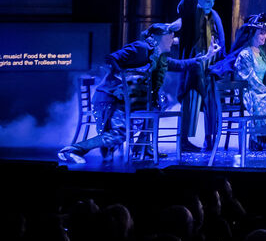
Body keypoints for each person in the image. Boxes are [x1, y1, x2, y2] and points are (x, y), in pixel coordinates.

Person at [58, 23, 220, 163]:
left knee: (157, 103)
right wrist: (123, 79)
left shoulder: (159, 57)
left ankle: (142, 147)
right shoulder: (141, 48)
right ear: (158, 37)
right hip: (111, 100)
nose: (173, 40)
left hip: (128, 102)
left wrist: (207, 56)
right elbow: (111, 58)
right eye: (170, 36)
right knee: (117, 135)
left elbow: (181, 65)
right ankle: (72, 150)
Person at [211, 14, 266, 150]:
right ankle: (261, 141)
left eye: (265, 33)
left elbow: (265, 80)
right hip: (249, 93)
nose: (265, 36)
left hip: (261, 91)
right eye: (261, 33)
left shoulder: (261, 53)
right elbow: (251, 80)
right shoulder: (245, 54)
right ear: (252, 34)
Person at [175, 0, 226, 152]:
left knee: (211, 103)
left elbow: (221, 39)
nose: (210, 3)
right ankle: (184, 141)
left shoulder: (214, 16)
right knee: (191, 101)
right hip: (194, 65)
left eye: (212, 0)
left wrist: (220, 60)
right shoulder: (191, 13)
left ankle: (209, 138)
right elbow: (185, 4)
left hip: (210, 66)